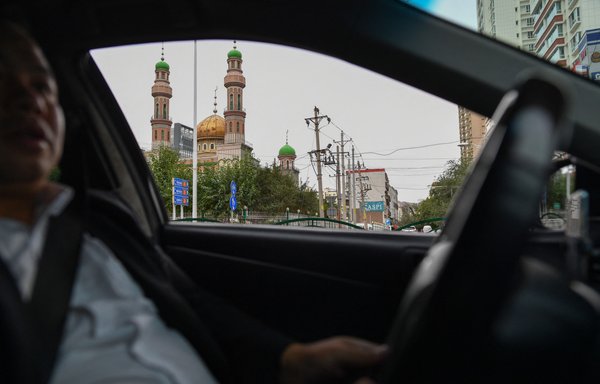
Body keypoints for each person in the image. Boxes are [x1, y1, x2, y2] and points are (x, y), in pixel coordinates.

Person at [0, 21, 388, 384]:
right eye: (4, 83)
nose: (30, 102)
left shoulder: (99, 217)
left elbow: (185, 299)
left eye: (41, 87)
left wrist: (288, 357)